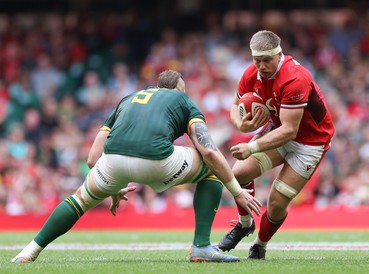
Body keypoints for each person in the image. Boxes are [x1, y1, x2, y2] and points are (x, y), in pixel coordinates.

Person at [11, 70, 262, 264]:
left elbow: (91, 159)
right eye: (183, 91)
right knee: (212, 166)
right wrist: (236, 191)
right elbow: (208, 150)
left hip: (111, 163)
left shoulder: (128, 99)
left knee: (79, 200)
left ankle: (28, 252)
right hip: (158, 161)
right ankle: (201, 246)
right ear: (177, 89)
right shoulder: (182, 101)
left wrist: (112, 186)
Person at [218, 30, 335, 259]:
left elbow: (290, 130)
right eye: (257, 60)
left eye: (267, 60)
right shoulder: (252, 72)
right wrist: (241, 126)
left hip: (310, 142)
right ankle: (244, 224)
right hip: (278, 129)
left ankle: (260, 245)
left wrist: (251, 147)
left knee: (276, 202)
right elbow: (235, 105)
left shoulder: (294, 78)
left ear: (279, 54)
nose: (261, 66)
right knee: (239, 172)